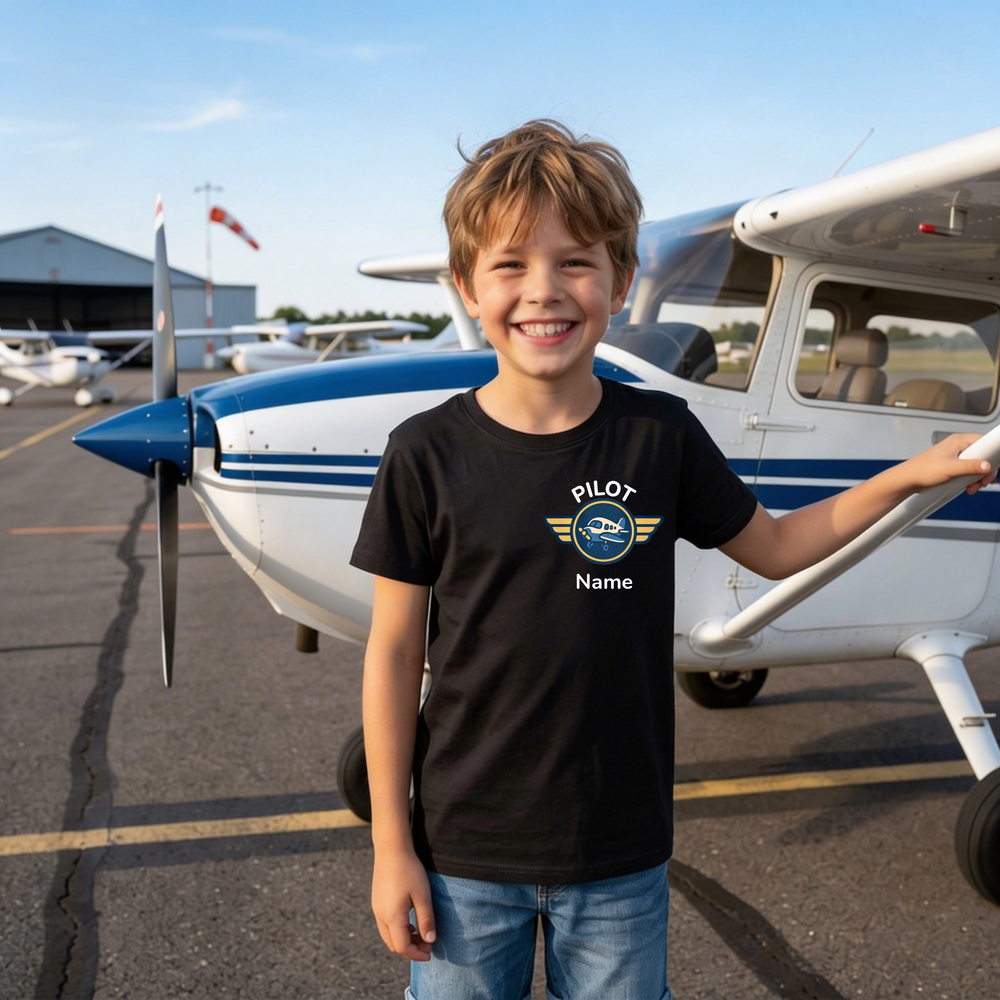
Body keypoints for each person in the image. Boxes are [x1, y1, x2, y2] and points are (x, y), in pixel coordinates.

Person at [349, 119, 995, 1000]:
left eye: (576, 262)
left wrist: (909, 476)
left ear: (620, 283)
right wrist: (393, 847)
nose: (545, 290)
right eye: (509, 265)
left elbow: (775, 547)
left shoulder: (660, 435)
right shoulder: (422, 452)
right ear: (466, 286)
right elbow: (393, 655)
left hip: (619, 855)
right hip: (464, 854)